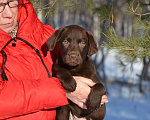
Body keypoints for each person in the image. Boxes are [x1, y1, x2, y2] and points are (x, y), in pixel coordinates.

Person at [0, 0, 108, 119]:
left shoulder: (45, 34)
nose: (9, 13)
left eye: (12, 2)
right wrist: (62, 90)